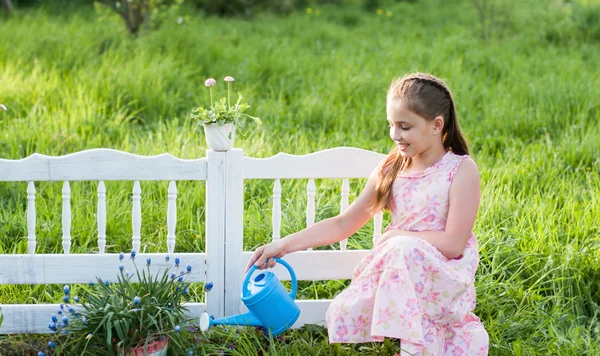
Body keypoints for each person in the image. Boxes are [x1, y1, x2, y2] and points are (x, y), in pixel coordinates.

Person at [245, 72, 489, 355]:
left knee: (401, 249)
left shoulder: (460, 169)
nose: (395, 135)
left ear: (436, 126)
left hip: (443, 276)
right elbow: (342, 224)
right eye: (391, 125)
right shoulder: (392, 168)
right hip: (400, 272)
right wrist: (282, 245)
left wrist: (398, 236)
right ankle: (413, 345)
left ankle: (417, 346)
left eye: (405, 126)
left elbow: (454, 243)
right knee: (400, 252)